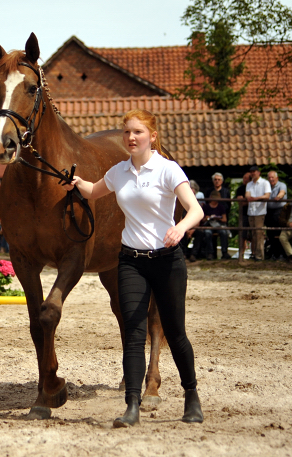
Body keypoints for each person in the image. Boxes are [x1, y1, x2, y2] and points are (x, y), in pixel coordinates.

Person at [64, 109, 205, 427]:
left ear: (152, 136)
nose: (130, 137)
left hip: (167, 261)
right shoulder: (119, 172)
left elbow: (195, 209)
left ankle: (191, 397)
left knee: (177, 333)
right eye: (127, 132)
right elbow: (93, 191)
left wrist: (180, 228)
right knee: (133, 334)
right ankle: (132, 405)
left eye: (138, 132)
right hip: (130, 261)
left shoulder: (168, 170)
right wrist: (75, 182)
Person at [189, 190, 230, 261]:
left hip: (218, 224)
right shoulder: (206, 207)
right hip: (209, 224)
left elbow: (224, 219)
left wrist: (218, 218)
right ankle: (210, 253)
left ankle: (224, 252)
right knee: (207, 233)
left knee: (223, 232)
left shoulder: (221, 207)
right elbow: (202, 220)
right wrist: (207, 218)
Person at [245, 165, 271, 261]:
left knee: (259, 233)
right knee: (254, 234)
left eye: (254, 171)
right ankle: (255, 253)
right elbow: (247, 194)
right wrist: (249, 198)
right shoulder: (249, 184)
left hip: (260, 211)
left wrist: (255, 198)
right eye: (251, 172)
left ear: (258, 172)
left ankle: (260, 256)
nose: (253, 173)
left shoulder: (265, 183)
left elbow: (267, 196)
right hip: (251, 211)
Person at [265, 171, 288, 259]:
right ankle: (273, 253)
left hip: (279, 211)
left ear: (277, 178)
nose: (271, 179)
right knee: (270, 233)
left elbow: (282, 192)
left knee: (279, 233)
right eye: (269, 178)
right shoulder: (267, 186)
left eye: (272, 177)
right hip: (269, 212)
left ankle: (281, 253)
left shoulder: (282, 185)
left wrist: (278, 197)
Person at [234, 172, 251, 248]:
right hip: (243, 214)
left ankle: (253, 253)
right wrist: (249, 201)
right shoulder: (240, 189)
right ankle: (241, 253)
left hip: (253, 213)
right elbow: (240, 203)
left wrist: (248, 201)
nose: (244, 180)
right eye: (244, 178)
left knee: (253, 235)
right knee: (242, 234)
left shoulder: (253, 188)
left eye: (246, 178)